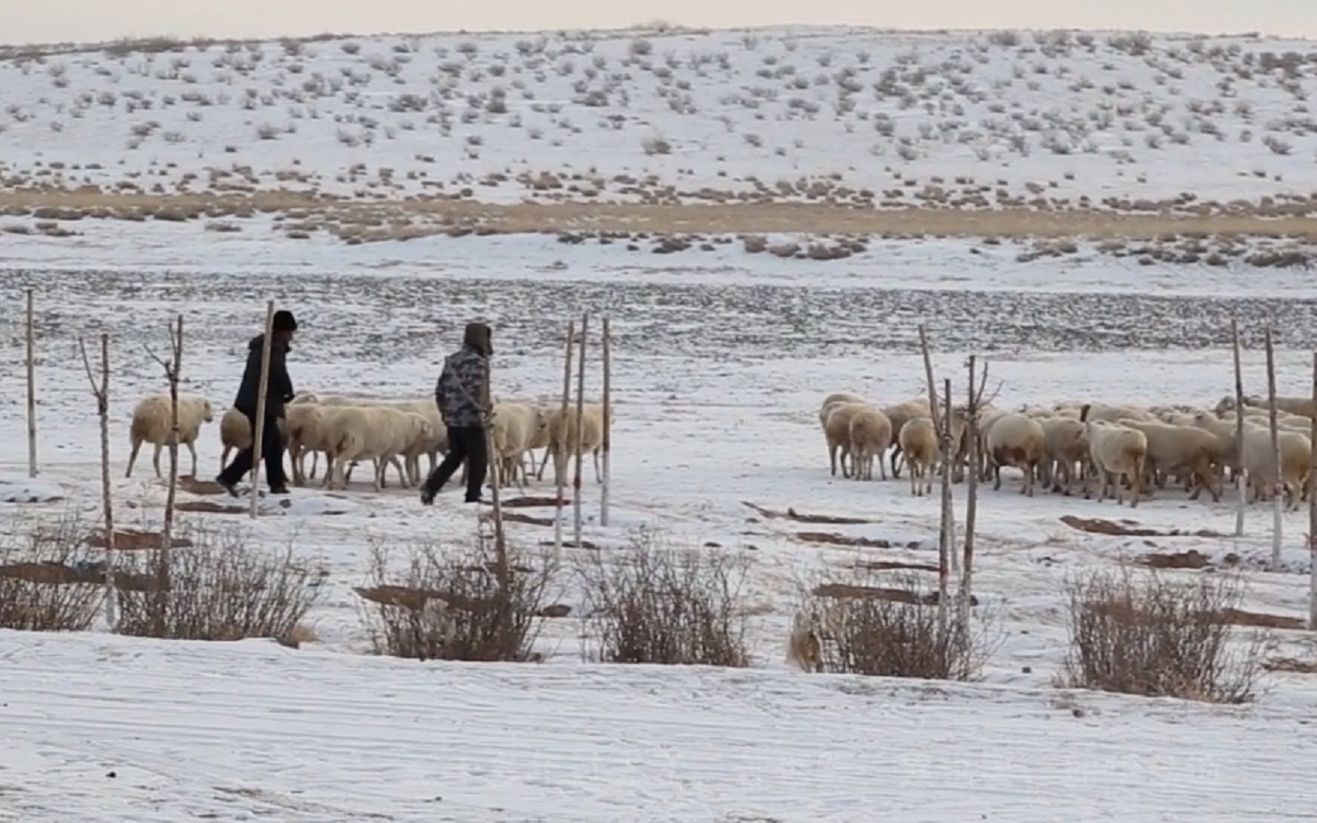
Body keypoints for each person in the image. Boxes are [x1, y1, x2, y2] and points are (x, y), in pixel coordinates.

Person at [216, 310, 298, 496]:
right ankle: (229, 477)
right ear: (282, 330)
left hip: (253, 400)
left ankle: (277, 484)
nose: (291, 337)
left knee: (274, 443)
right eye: (290, 332)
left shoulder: (263, 345)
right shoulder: (273, 347)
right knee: (263, 445)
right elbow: (277, 371)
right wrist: (287, 391)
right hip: (261, 403)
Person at [420, 321, 492, 505]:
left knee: (455, 456)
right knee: (479, 460)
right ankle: (473, 495)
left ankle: (431, 487)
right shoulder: (479, 363)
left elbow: (440, 390)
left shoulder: (451, 361)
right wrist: (485, 411)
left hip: (453, 419)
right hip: (473, 420)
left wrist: (445, 413)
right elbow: (479, 390)